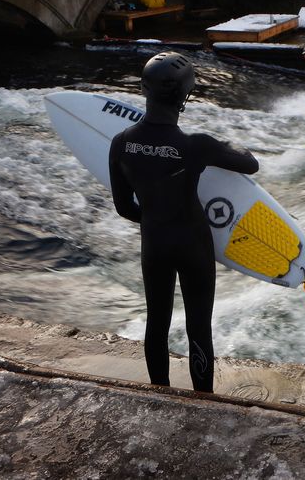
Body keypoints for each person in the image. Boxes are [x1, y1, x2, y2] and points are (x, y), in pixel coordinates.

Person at [107, 51, 260, 392]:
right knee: (198, 327)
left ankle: (159, 392)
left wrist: (154, 222)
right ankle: (202, 400)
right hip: (193, 245)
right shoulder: (196, 145)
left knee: (156, 324)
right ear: (184, 95)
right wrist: (226, 142)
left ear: (144, 89)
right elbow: (250, 163)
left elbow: (122, 206)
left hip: (155, 244)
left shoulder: (121, 143)